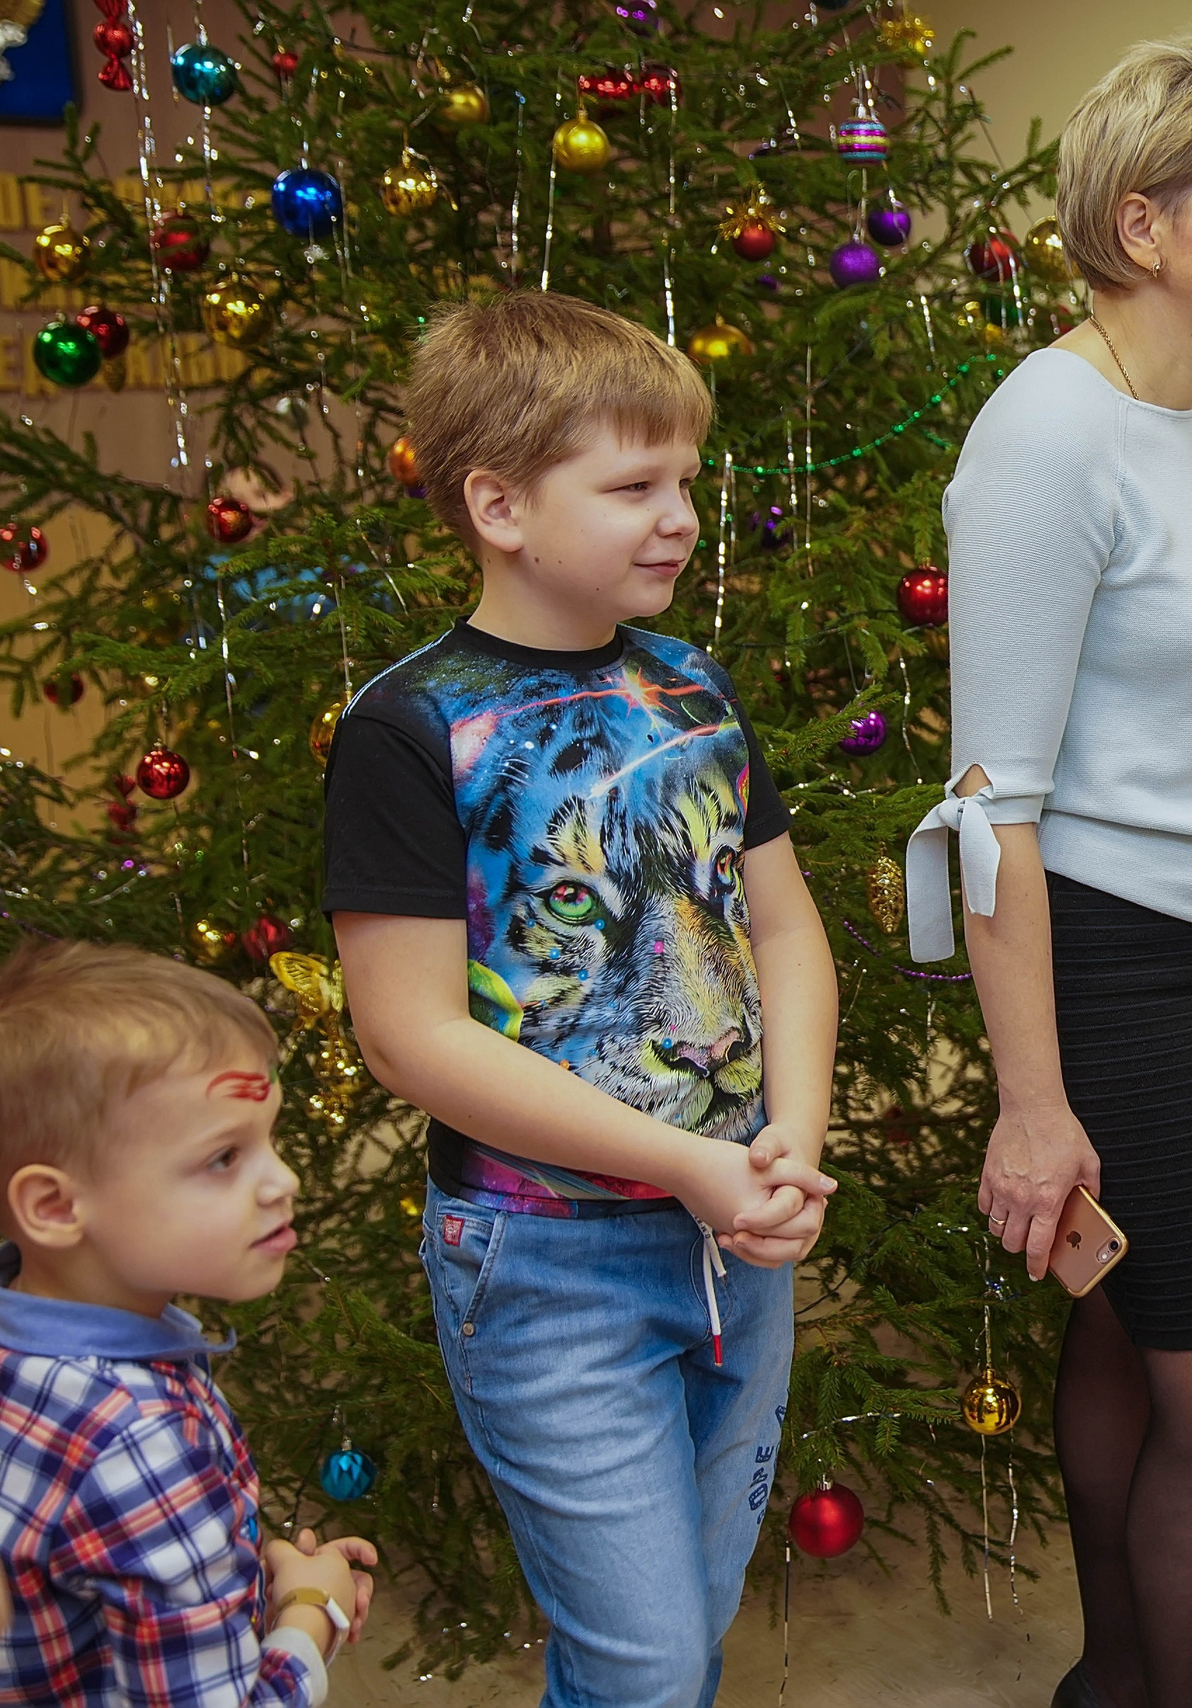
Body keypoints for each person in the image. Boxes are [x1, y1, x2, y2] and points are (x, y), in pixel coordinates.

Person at [323, 290, 839, 1707]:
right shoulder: (408, 728)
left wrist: (791, 1135)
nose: (680, 518)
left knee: (691, 1626)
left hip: (737, 1237)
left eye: (687, 482)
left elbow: (783, 927)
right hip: (546, 1263)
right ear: (498, 504)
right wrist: (686, 1162)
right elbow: (409, 1034)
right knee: (646, 1663)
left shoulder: (695, 688)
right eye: (632, 488)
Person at [906, 38, 1192, 1708]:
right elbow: (989, 804)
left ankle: (1112, 1683)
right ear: (1143, 224)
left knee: (1127, 1329)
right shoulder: (1049, 433)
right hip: (1118, 964)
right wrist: (1032, 1102)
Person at [0, 941, 378, 1706]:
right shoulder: (145, 1441)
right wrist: (311, 1612)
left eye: (269, 1139)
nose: (284, 1179)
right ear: (56, 1207)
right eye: (223, 1158)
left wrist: (223, 1560)